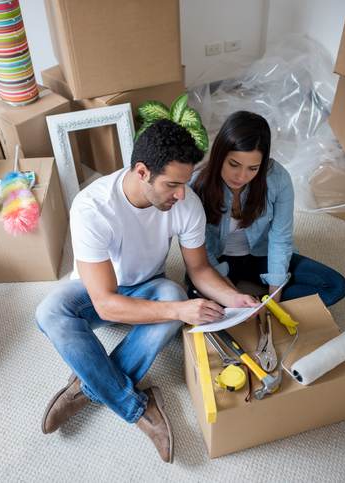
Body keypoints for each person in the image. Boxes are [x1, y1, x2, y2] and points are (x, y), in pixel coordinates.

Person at [35, 119, 257, 464]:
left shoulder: (186, 203)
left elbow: (199, 269)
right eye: (172, 185)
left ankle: (89, 388)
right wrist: (179, 313)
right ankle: (137, 407)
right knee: (49, 312)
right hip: (96, 290)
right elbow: (106, 304)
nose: (181, 194)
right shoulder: (92, 207)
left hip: (149, 286)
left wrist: (233, 298)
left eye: (184, 183)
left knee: (172, 293)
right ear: (142, 172)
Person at [190, 110, 345, 306]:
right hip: (218, 260)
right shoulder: (196, 185)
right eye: (234, 164)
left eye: (253, 168)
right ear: (219, 155)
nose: (241, 176)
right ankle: (251, 301)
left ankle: (260, 302)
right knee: (196, 295)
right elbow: (200, 251)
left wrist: (274, 294)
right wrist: (229, 292)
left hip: (261, 254)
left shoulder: (278, 179)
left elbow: (280, 238)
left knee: (334, 286)